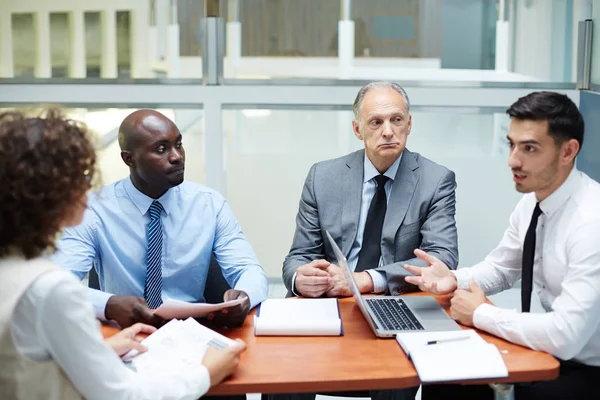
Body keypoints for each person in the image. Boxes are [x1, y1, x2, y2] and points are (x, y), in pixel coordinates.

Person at [0, 109, 247, 399]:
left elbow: (33, 356)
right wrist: (206, 373)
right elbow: (122, 396)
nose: (88, 189)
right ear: (49, 194)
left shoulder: (12, 271)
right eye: (81, 177)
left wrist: (98, 350)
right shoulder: (52, 289)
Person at [405, 91, 600, 400]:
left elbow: (565, 336)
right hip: (549, 352)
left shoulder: (591, 223)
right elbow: (503, 268)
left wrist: (481, 313)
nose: (512, 160)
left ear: (568, 151)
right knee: (445, 378)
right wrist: (455, 280)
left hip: (586, 368)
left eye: (529, 148)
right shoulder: (531, 204)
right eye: (511, 144)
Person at [277, 81, 459, 400]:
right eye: (376, 122)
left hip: (400, 303)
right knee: (284, 372)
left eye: (397, 120)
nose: (388, 131)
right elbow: (298, 256)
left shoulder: (436, 180)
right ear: (358, 129)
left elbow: (441, 259)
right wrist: (299, 279)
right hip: (330, 303)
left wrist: (366, 280)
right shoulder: (323, 177)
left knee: (393, 380)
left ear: (409, 124)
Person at [52, 109, 268, 330]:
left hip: (193, 331)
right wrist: (108, 304)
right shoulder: (95, 209)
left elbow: (249, 270)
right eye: (161, 149)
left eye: (179, 144)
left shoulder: (209, 205)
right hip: (123, 332)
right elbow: (57, 284)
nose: (177, 156)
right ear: (129, 159)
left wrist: (245, 296)